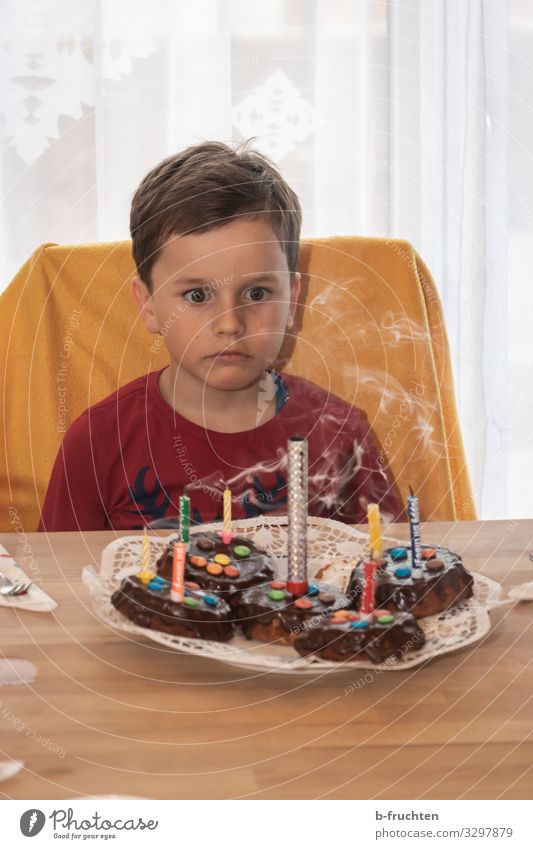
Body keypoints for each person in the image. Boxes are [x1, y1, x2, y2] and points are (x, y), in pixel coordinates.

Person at [38, 139, 403, 531]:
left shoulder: (339, 431)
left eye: (257, 293)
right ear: (148, 305)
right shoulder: (97, 442)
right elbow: (57, 581)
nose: (230, 323)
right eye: (197, 295)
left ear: (292, 301)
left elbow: (392, 571)